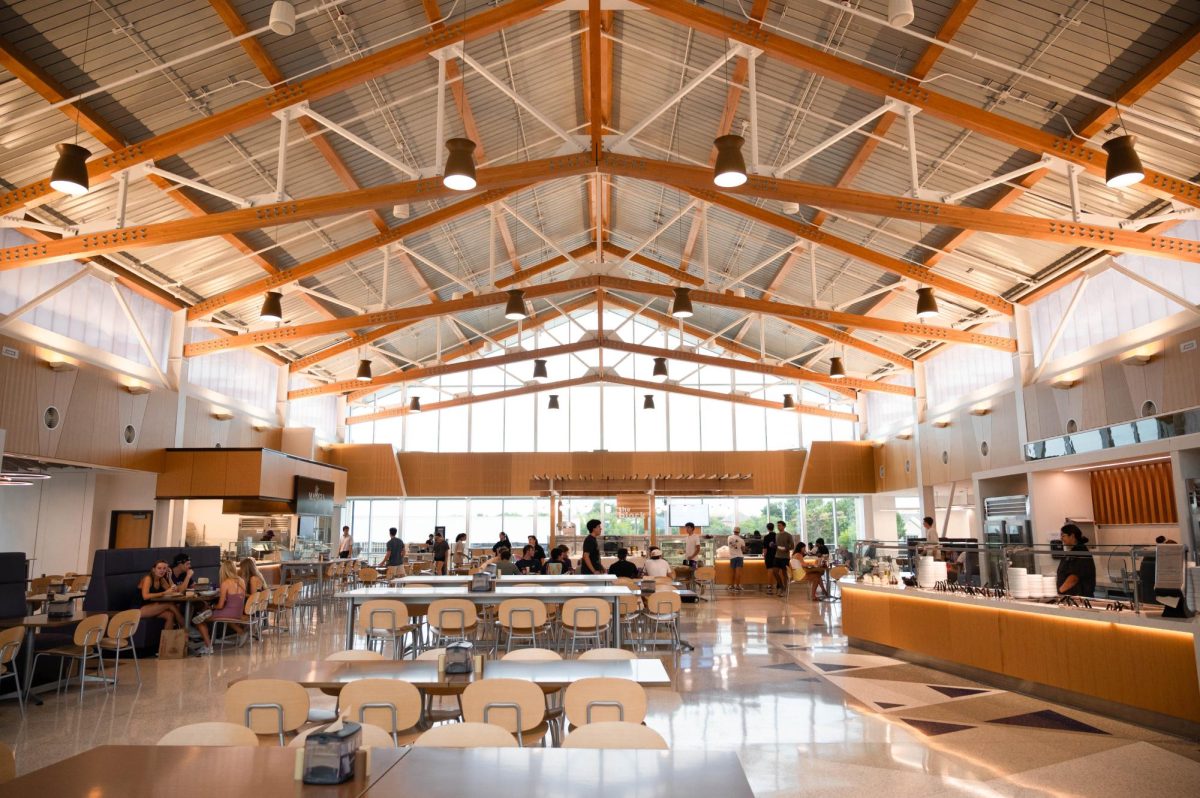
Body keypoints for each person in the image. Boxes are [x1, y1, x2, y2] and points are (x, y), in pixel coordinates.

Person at [204, 559, 247, 650]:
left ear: (223, 570)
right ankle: (241, 632)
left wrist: (212, 606)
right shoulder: (241, 581)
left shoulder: (225, 583)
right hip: (238, 613)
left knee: (203, 618)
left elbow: (220, 606)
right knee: (226, 618)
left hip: (229, 613)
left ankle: (207, 644)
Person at [136, 560, 185, 634]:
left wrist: (169, 577)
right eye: (159, 568)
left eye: (164, 568)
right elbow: (145, 596)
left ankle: (166, 643)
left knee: (170, 615)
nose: (162, 571)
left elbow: (172, 591)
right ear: (153, 569)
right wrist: (164, 593)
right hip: (138, 609)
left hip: (151, 606)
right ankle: (186, 628)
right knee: (170, 604)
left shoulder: (161, 579)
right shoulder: (148, 579)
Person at [1056, 523, 1096, 597]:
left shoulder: (1081, 552)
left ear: (1072, 536)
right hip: (1070, 596)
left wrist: (1060, 591)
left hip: (1080, 597)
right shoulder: (1072, 551)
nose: (1061, 538)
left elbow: (1074, 577)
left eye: (1063, 535)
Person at [773, 521, 794, 595]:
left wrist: (786, 549)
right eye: (777, 525)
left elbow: (792, 546)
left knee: (784, 573)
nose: (778, 527)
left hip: (785, 557)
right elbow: (777, 545)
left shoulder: (788, 535)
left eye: (780, 525)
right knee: (775, 572)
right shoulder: (776, 535)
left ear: (784, 526)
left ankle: (785, 589)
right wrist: (773, 546)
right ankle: (782, 587)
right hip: (777, 556)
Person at [726, 527, 747, 592]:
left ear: (733, 531)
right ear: (739, 532)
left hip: (732, 557)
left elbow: (730, 545)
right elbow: (743, 550)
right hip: (740, 556)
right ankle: (737, 586)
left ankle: (732, 586)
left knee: (732, 572)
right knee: (738, 573)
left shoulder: (729, 538)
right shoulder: (741, 540)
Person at [763, 523, 777, 594]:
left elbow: (765, 548)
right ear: (773, 527)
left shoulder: (766, 537)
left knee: (770, 570)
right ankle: (779, 585)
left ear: (767, 528)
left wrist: (764, 556)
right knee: (777, 570)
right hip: (777, 555)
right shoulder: (777, 536)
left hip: (769, 556)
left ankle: (769, 585)